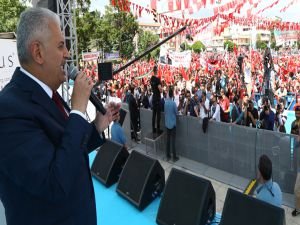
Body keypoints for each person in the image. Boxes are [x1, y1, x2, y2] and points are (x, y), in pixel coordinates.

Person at [0, 8, 120, 225]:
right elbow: (54, 182)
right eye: (60, 45)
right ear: (38, 52)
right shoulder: (8, 110)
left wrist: (96, 127)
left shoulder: (49, 94)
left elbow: (67, 150)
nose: (67, 53)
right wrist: (77, 110)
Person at [164, 87, 179, 162]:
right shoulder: (173, 103)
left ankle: (168, 155)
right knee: (173, 141)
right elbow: (177, 113)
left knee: (168, 140)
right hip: (173, 124)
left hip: (167, 123)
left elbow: (165, 112)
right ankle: (174, 157)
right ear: (172, 95)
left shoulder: (165, 102)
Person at [292, 104, 300, 216]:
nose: (297, 115)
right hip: (297, 158)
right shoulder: (294, 123)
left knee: (297, 189)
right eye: (296, 113)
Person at [150, 65, 163, 134]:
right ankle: (158, 130)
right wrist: (162, 89)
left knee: (153, 115)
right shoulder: (157, 79)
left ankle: (153, 129)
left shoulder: (151, 79)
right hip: (157, 98)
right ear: (156, 71)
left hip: (153, 97)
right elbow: (160, 90)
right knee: (158, 115)